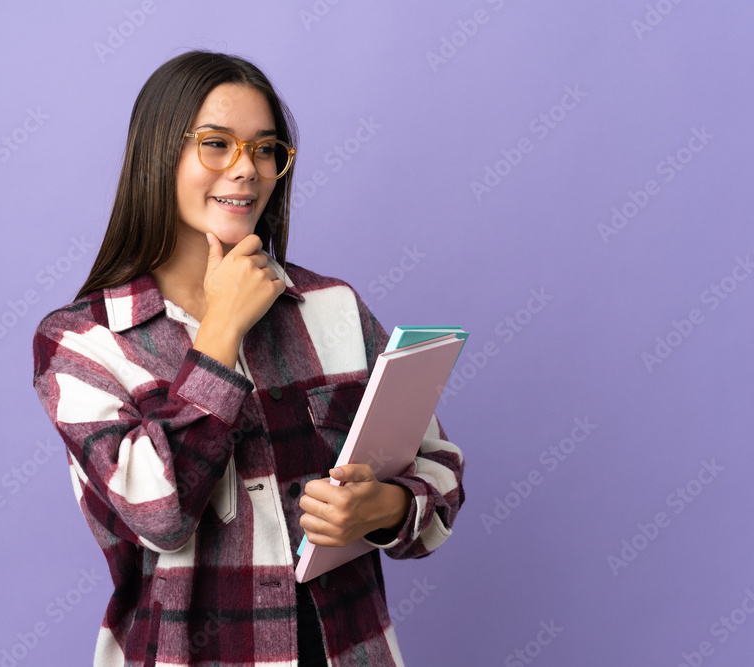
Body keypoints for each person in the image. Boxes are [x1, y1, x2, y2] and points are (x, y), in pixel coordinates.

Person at [31, 50, 464, 667]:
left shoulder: (333, 308)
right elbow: (159, 516)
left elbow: (440, 469)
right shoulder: (80, 343)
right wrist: (222, 327)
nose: (246, 170)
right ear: (159, 155)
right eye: (216, 144)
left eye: (264, 150)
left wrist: (384, 508)